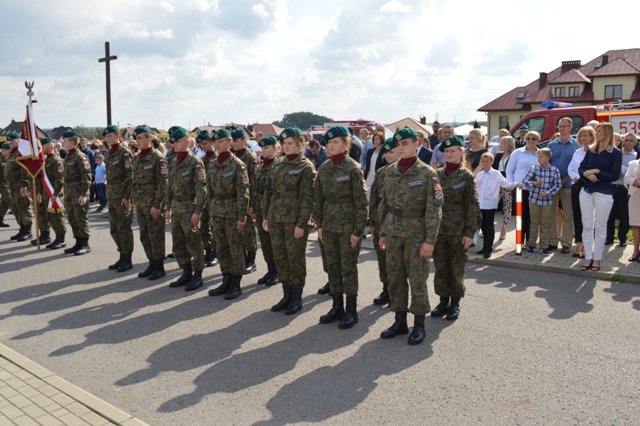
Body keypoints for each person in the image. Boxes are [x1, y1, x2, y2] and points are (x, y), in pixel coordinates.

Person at [378, 127, 443, 345]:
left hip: (417, 236)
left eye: (405, 143)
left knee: (417, 280)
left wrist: (429, 241)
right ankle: (399, 320)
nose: (401, 148)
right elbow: (385, 205)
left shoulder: (427, 173)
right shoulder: (389, 172)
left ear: (417, 143)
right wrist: (383, 232)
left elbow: (434, 210)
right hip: (395, 233)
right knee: (395, 278)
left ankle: (419, 324)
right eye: (398, 145)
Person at [314, 126, 368, 329]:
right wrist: (319, 224)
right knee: (333, 267)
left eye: (335, 142)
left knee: (348, 268)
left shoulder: (353, 168)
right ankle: (336, 306)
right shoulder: (324, 168)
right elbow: (318, 199)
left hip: (348, 228)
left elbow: (362, 204)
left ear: (346, 144)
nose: (330, 146)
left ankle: (351, 309)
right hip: (328, 226)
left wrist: (357, 231)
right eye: (328, 143)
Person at [262, 127, 315, 315]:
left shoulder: (306, 166)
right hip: (276, 219)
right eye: (284, 143)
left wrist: (302, 224)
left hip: (294, 222)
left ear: (301, 145)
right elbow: (270, 192)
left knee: (296, 260)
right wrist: (266, 216)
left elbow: (308, 198)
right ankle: (286, 295)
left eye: (290, 143)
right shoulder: (277, 164)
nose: (286, 146)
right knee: (281, 258)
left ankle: (297, 297)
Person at [430, 135, 480, 322]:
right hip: (439, 229)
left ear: (461, 152)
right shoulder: (437, 175)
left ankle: (455, 303)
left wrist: (469, 233)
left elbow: (473, 206)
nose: (449, 154)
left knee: (456, 267)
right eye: (447, 151)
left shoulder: (466, 176)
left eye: (453, 151)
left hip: (458, 230)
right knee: (440, 267)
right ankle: (443, 301)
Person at [206, 129, 250, 300]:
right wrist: (210, 211)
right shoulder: (212, 163)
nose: (216, 145)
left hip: (232, 212)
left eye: (220, 141)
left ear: (230, 142)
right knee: (221, 247)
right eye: (215, 142)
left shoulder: (238, 164)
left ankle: (236, 284)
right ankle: (226, 280)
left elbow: (243, 192)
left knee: (235, 247)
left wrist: (241, 216)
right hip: (217, 211)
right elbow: (209, 190)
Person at [165, 126, 207, 291]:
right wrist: (168, 207)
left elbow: (202, 189)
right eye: (173, 142)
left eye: (177, 141)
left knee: (194, 243)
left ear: (187, 142)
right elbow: (169, 186)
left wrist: (197, 211)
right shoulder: (174, 160)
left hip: (189, 207)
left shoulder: (194, 162)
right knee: (178, 243)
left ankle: (198, 275)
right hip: (176, 207)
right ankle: (186, 272)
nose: (173, 144)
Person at [578, 122, 622, 272]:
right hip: (586, 191)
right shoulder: (591, 150)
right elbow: (582, 167)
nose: (596, 134)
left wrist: (597, 172)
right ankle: (587, 257)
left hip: (604, 193)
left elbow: (615, 174)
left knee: (600, 227)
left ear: (607, 133)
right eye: (596, 131)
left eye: (599, 131)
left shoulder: (615, 152)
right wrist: (586, 174)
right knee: (587, 225)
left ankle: (597, 259)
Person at [368, 138, 399, 305]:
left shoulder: (404, 172)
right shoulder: (381, 173)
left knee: (396, 261)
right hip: (380, 223)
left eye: (391, 152)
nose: (387, 155)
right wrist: (372, 222)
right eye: (385, 152)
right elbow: (374, 199)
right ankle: (386, 289)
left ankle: (397, 294)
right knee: (382, 259)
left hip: (397, 225)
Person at [475, 152, 519, 258]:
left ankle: (488, 249)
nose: (485, 163)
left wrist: (516, 183)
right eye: (483, 161)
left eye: (487, 161)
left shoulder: (496, 174)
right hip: (480, 204)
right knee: (482, 226)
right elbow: (475, 186)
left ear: (492, 162)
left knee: (489, 226)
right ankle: (485, 247)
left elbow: (505, 184)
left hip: (490, 204)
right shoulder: (479, 174)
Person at [103, 125, 134, 272]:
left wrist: (127, 197)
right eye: (106, 137)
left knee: (124, 228)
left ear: (117, 136)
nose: (107, 139)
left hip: (122, 196)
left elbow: (129, 176)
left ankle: (127, 258)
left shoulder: (124, 152)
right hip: (112, 195)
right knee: (114, 228)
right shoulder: (109, 153)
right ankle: (121, 255)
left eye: (110, 136)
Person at [230, 128, 260, 274]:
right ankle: (241, 258)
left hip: (247, 200)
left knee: (248, 232)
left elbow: (254, 183)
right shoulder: (233, 156)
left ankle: (251, 260)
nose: (233, 144)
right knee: (238, 232)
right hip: (235, 201)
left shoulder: (250, 157)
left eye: (236, 141)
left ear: (243, 140)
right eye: (232, 141)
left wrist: (252, 204)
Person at [522, 148, 562, 255]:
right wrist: (534, 183)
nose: (539, 159)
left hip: (547, 201)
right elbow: (525, 181)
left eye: (541, 157)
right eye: (538, 157)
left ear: (548, 158)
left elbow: (558, 185)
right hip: (534, 199)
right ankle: (531, 245)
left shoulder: (554, 170)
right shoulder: (534, 168)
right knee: (534, 223)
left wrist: (548, 192)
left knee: (545, 223)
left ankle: (544, 246)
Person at [547, 117, 577, 253]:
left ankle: (566, 243)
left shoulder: (576, 145)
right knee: (551, 214)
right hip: (552, 185)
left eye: (565, 126)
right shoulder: (551, 145)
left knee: (568, 215)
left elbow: (577, 167)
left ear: (571, 127)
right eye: (560, 126)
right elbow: (546, 164)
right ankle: (552, 242)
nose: (563, 128)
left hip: (569, 184)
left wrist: (563, 180)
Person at [506, 130, 540, 249]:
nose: (531, 140)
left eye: (534, 139)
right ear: (525, 139)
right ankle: (519, 242)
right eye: (528, 138)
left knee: (532, 217)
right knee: (521, 216)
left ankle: (530, 242)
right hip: (520, 189)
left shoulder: (540, 154)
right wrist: (512, 184)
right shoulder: (518, 153)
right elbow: (509, 170)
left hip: (534, 190)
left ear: (538, 141)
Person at [254, 136, 280, 286]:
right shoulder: (261, 166)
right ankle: (270, 269)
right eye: (262, 148)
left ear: (276, 148)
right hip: (260, 209)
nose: (264, 150)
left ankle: (277, 271)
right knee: (264, 243)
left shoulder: (278, 166)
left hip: (272, 210)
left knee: (273, 242)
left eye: (267, 147)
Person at [61, 130, 92, 255]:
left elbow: (86, 177)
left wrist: (84, 194)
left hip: (78, 192)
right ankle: (78, 242)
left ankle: (85, 244)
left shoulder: (80, 156)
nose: (63, 142)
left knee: (81, 218)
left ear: (72, 141)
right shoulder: (68, 156)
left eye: (65, 140)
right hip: (69, 192)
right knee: (72, 218)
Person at [32, 137, 66, 249]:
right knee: (51, 216)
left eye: (43, 146)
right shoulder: (45, 160)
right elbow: (42, 178)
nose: (41, 148)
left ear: (49, 146)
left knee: (57, 216)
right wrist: (40, 192)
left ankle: (61, 239)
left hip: (54, 194)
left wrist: (55, 194)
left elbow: (60, 179)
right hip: (47, 193)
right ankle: (55, 237)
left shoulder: (57, 160)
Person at [606, 133, 637, 246]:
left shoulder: (636, 156)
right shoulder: (617, 153)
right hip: (612, 187)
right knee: (610, 214)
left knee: (625, 215)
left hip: (625, 189)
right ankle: (609, 238)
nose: (628, 142)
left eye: (630, 140)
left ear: (634, 143)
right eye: (626, 140)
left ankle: (622, 238)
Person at [567, 126, 594, 259]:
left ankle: (587, 246)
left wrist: (584, 177)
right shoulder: (577, 152)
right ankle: (579, 243)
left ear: (592, 137)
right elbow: (570, 168)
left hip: (590, 187)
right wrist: (576, 178)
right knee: (577, 216)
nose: (583, 138)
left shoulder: (596, 151)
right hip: (576, 185)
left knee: (587, 218)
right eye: (581, 135)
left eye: (586, 135)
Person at [196, 130, 219, 267]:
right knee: (203, 227)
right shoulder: (203, 159)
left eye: (205, 143)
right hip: (204, 197)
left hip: (214, 199)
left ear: (212, 142)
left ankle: (215, 253)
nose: (203, 146)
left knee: (214, 227)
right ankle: (208, 250)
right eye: (201, 144)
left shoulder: (216, 159)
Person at [5, 132, 33, 241]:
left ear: (18, 141)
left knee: (23, 208)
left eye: (13, 140)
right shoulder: (13, 154)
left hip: (19, 186)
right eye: (10, 141)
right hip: (12, 186)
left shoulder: (21, 153)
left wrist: (24, 185)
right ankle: (22, 229)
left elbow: (24, 170)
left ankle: (27, 231)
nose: (11, 143)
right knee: (16, 209)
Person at [493, 136, 516, 240]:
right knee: (491, 206)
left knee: (507, 207)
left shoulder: (513, 156)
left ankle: (504, 228)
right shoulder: (498, 155)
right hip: (497, 184)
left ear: (507, 144)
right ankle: (488, 227)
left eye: (501, 143)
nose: (499, 145)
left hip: (508, 185)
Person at [624, 156, 640, 262]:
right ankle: (635, 251)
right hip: (635, 195)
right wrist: (635, 181)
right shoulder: (633, 163)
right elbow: (626, 178)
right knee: (636, 225)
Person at [0, 141, 12, 227]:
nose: (10, 151)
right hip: (2, 184)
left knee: (5, 203)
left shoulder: (8, 159)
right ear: (3, 150)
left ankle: (0, 218)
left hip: (7, 184)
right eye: (9, 150)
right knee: (10, 200)